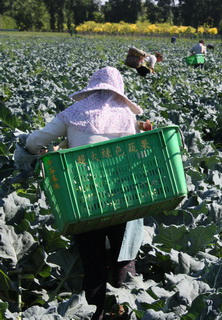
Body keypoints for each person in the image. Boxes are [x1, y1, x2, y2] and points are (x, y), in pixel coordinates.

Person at [25, 66, 150, 320]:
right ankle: (123, 311)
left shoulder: (73, 113)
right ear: (119, 90)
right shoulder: (126, 115)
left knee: (92, 267)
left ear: (91, 87)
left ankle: (94, 313)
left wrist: (52, 147)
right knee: (124, 262)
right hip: (123, 197)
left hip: (83, 201)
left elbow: (33, 142)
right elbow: (138, 154)